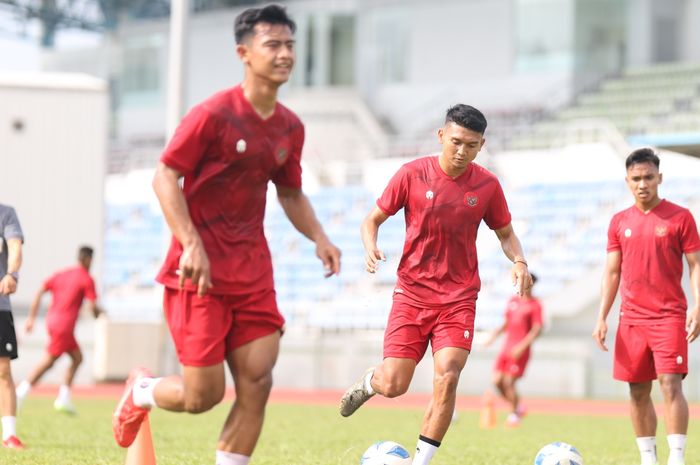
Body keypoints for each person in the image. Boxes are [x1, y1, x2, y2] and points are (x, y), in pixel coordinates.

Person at [111, 5, 341, 465]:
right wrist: (191, 244)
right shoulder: (212, 114)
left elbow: (291, 192)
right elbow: (164, 176)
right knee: (203, 395)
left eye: (290, 45)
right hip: (200, 274)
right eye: (272, 45)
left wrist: (319, 236)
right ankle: (140, 392)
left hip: (253, 273)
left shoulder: (290, 126)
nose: (285, 55)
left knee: (257, 381)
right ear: (244, 53)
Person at [339, 104, 531, 465]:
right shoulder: (411, 175)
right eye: (456, 141)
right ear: (441, 136)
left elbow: (506, 234)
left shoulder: (487, 186)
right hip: (411, 295)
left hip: (458, 298)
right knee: (394, 384)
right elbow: (372, 219)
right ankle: (370, 384)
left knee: (448, 375)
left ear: (482, 145)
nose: (462, 151)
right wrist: (370, 245)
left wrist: (519, 261)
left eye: (471, 145)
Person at [593, 148, 700, 465]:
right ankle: (648, 459)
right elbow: (612, 272)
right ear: (627, 181)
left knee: (670, 384)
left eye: (649, 177)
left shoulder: (681, 217)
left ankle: (676, 458)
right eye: (636, 178)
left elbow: (695, 265)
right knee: (637, 391)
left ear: (660, 178)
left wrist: (697, 306)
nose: (643, 184)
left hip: (669, 317)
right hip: (631, 321)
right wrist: (602, 317)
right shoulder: (618, 222)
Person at [16, 246, 102, 414]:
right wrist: (100, 313)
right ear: (89, 259)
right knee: (49, 361)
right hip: (65, 325)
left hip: (53, 321)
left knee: (77, 358)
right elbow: (93, 307)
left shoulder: (62, 274)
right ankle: (21, 392)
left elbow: (40, 291)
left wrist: (31, 317)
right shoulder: (87, 278)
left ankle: (63, 398)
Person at [483, 272, 543, 427]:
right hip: (506, 347)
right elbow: (506, 323)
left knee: (509, 382)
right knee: (497, 381)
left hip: (520, 349)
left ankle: (515, 413)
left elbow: (536, 330)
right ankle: (518, 407)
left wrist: (522, 346)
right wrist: (493, 336)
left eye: (528, 282)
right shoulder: (513, 301)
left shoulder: (535, 305)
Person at [0, 204, 24, 449]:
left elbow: (15, 247)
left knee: (3, 370)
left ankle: (9, 434)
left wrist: (11, 274)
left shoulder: (5, 214)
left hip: (0, 306)